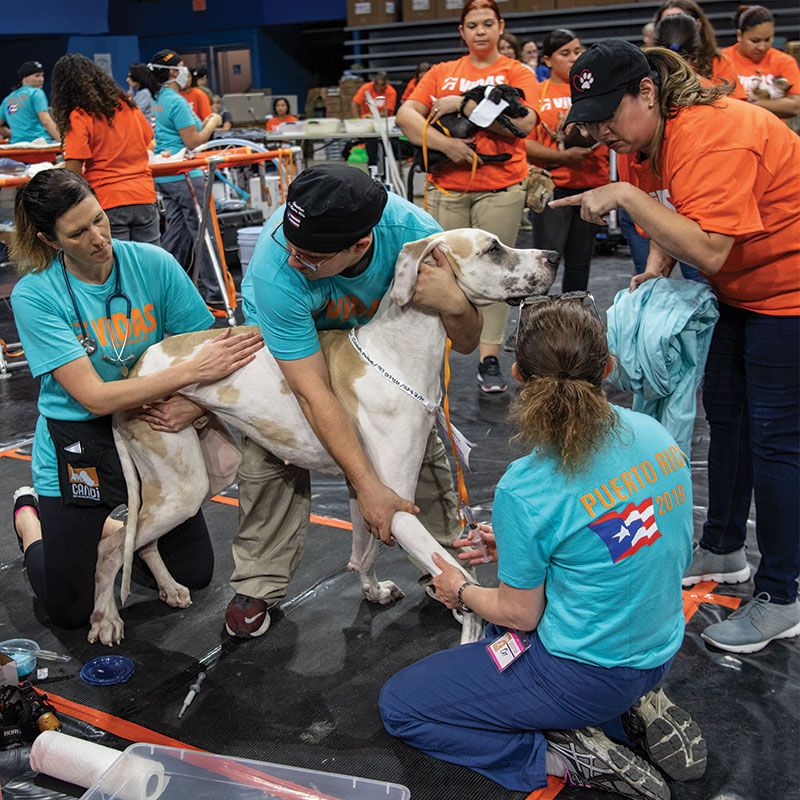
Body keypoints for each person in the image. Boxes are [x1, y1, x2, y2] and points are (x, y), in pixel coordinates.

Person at [380, 296, 701, 798]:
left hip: (584, 673)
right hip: (658, 649)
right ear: (608, 367)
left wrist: (460, 591)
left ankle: (562, 752)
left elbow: (519, 616)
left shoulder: (528, 487)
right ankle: (633, 705)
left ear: (517, 376)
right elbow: (629, 540)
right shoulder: (654, 435)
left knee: (403, 705)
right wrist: (518, 549)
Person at [551, 39, 800, 653]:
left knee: (775, 440)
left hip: (788, 293)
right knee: (728, 420)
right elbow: (676, 210)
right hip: (735, 292)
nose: (603, 129)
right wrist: (657, 263)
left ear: (648, 91)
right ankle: (722, 548)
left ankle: (782, 594)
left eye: (612, 112)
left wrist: (627, 198)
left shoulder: (714, 134)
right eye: (593, 119)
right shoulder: (641, 141)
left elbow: (710, 245)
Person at [223, 163, 482, 638]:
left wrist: (455, 303)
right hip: (298, 340)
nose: (294, 258)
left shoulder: (419, 241)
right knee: (276, 450)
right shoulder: (277, 266)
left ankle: (442, 569)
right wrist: (368, 486)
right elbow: (311, 390)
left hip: (381, 351)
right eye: (290, 245)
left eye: (309, 258)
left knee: (416, 445)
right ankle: (258, 580)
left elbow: (466, 342)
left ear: (360, 245)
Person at [7, 169, 262, 633]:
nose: (99, 238)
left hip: (151, 424)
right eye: (79, 233)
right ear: (49, 240)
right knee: (69, 610)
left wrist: (197, 406)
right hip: (80, 440)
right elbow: (94, 397)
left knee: (195, 575)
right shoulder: (35, 294)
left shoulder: (152, 264)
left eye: (99, 220)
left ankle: (120, 531)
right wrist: (190, 374)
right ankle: (31, 520)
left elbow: (206, 346)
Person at [397, 0, 539, 394]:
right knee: (442, 276)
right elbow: (406, 116)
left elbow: (525, 123)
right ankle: (434, 353)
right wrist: (450, 145)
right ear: (462, 31)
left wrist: (462, 103)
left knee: (496, 274)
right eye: (472, 25)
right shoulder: (443, 72)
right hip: (448, 187)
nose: (480, 31)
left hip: (501, 188)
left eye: (488, 24)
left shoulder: (517, 71)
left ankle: (488, 357)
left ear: (500, 27)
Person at [525, 30, 608, 293]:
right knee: (546, 261)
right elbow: (524, 145)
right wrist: (563, 157)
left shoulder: (596, 89)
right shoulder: (536, 93)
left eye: (577, 51)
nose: (574, 58)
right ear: (548, 60)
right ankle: (538, 323)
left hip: (590, 184)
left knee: (581, 262)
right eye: (565, 53)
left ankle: (573, 323)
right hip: (552, 187)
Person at [50, 53, 160, 246]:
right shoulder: (127, 105)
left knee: (116, 268)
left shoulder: (79, 115)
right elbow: (147, 139)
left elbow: (73, 171)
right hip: (144, 195)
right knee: (151, 266)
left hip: (108, 201)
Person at [147, 49, 224, 305]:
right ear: (172, 72)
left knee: (177, 234)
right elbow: (193, 141)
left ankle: (164, 288)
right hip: (185, 175)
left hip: (166, 175)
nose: (186, 73)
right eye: (182, 67)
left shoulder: (155, 99)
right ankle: (216, 293)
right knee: (204, 232)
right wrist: (213, 121)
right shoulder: (176, 101)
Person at [653, 0, 744, 98]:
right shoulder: (651, 64)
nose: (674, 28)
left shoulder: (718, 61)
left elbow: (737, 101)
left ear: (698, 25)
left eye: (681, 21)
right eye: (668, 22)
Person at [723, 5, 800, 119]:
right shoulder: (722, 59)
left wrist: (750, 105)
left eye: (767, 40)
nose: (762, 47)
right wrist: (773, 105)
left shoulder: (784, 61)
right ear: (740, 35)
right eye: (755, 41)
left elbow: (794, 106)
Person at [0, 61, 59, 144]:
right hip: (39, 146)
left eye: (42, 76)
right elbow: (46, 120)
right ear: (25, 79)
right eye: (37, 76)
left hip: (16, 147)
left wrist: (15, 135)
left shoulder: (7, 100)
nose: (41, 79)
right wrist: (63, 142)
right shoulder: (36, 92)